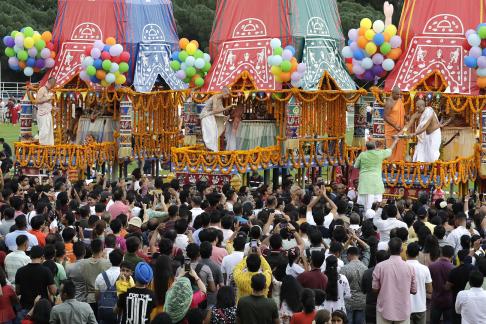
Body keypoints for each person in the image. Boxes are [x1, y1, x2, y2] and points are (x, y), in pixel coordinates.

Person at [372, 237, 417, 324]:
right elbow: (414, 291)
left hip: (384, 308)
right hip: (403, 309)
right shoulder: (410, 268)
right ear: (401, 249)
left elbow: (375, 289)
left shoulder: (380, 266)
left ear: (388, 249)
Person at [354, 138, 399, 210]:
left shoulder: (362, 154)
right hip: (375, 182)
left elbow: (356, 166)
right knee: (376, 205)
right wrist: (396, 140)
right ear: (375, 147)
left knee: (365, 206)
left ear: (366, 147)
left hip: (364, 182)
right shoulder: (379, 153)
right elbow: (390, 150)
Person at [15, 246, 57, 316]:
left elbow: (17, 291)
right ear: (42, 257)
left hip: (25, 307)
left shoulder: (20, 271)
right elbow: (53, 291)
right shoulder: (46, 271)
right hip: (41, 308)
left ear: (30, 256)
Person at [200, 86, 234, 151]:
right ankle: (211, 150)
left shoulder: (219, 99)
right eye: (227, 94)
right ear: (224, 92)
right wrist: (226, 108)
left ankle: (213, 151)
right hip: (206, 116)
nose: (227, 97)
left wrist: (225, 111)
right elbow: (215, 110)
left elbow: (219, 110)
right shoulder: (215, 97)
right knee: (211, 134)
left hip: (210, 116)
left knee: (214, 133)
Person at [406, 243, 432, 324]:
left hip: (405, 307)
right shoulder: (424, 269)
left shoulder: (401, 267)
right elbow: (430, 290)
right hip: (420, 306)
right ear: (418, 254)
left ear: (406, 252)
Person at [340, 246, 367, 323]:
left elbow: (342, 286)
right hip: (362, 300)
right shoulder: (365, 268)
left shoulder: (345, 268)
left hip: (348, 301)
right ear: (358, 255)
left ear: (349, 255)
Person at [384, 86, 406, 161]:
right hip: (391, 130)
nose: (399, 96)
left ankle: (398, 164)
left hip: (400, 130)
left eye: (400, 94)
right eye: (397, 94)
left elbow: (402, 113)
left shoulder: (400, 100)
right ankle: (390, 167)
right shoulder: (389, 102)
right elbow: (385, 117)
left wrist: (406, 117)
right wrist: (395, 126)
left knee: (400, 149)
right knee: (391, 150)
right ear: (392, 93)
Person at [36, 77, 56, 145]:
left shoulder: (48, 91)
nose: (54, 86)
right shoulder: (42, 89)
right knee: (44, 131)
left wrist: (53, 108)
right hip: (42, 114)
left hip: (48, 113)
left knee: (49, 131)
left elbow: (47, 104)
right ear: (51, 83)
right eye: (54, 85)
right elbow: (37, 101)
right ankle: (42, 146)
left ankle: (48, 147)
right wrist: (48, 98)